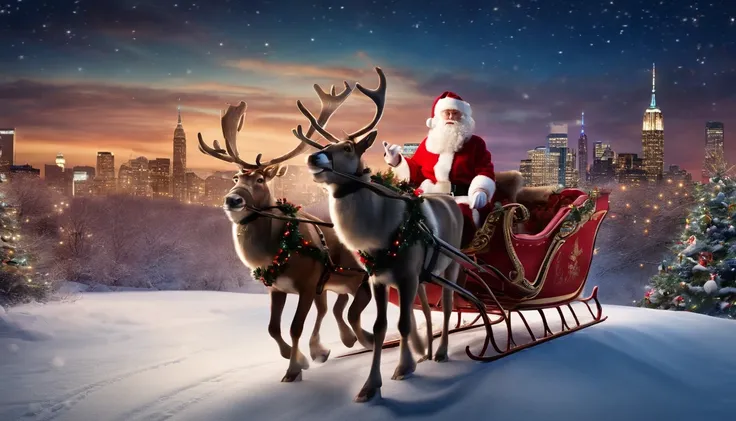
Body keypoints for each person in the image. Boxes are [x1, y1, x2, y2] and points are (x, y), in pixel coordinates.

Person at [383, 91, 496, 240]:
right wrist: (396, 160)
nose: (450, 117)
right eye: (446, 113)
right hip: (429, 198)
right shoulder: (428, 143)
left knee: (459, 222)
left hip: (462, 199)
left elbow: (485, 169)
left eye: (455, 113)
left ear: (463, 117)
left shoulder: (475, 143)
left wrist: (481, 189)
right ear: (438, 117)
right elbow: (416, 171)